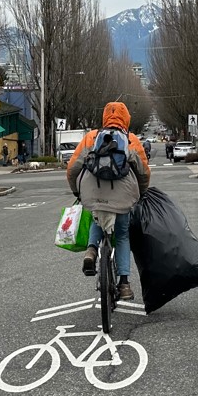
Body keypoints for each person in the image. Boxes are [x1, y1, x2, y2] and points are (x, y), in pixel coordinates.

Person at [67, 102, 151, 300]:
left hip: (93, 192)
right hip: (123, 196)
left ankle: (91, 250)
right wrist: (142, 193)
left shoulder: (91, 138)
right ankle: (124, 284)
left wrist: (77, 191)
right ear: (127, 119)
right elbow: (143, 173)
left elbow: (72, 169)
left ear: (105, 117)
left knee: (97, 215)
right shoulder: (131, 140)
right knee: (122, 235)